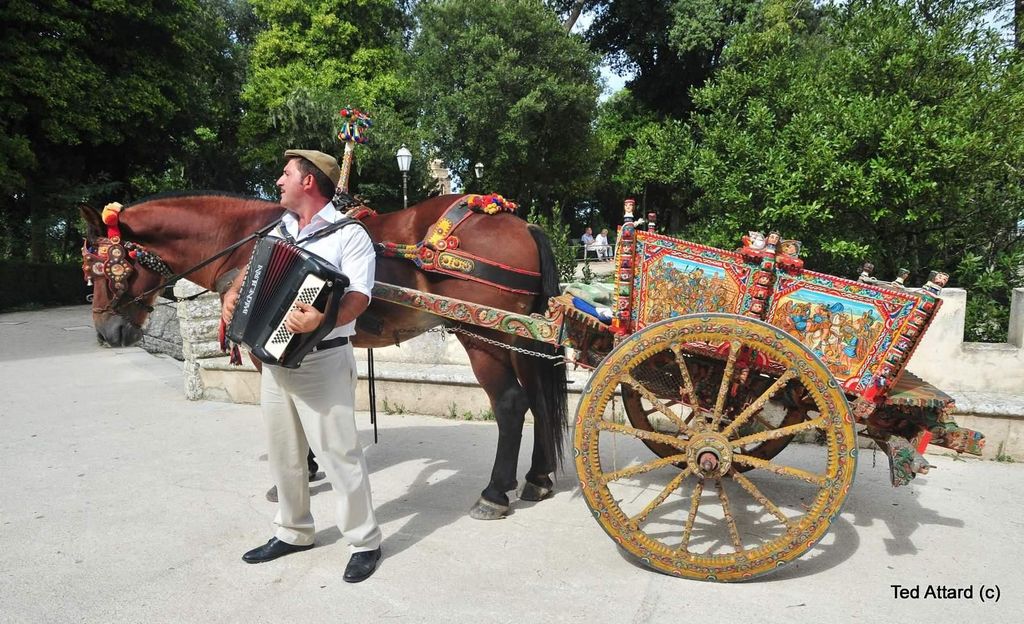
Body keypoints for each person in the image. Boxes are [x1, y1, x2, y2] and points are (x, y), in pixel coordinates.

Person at [222, 149, 382, 582]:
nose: (278, 180)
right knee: (285, 454)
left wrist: (322, 319)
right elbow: (253, 273)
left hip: (323, 361)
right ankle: (293, 531)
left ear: (308, 182)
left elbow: (359, 297)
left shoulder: (350, 235)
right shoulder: (280, 229)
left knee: (339, 455)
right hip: (275, 360)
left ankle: (364, 540)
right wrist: (231, 295)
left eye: (286, 173)